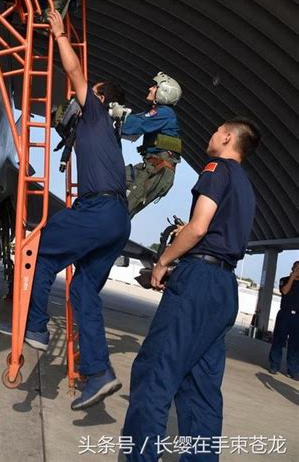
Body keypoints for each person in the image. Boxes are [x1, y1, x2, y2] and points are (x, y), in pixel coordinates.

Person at [0, 9, 131, 411]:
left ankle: (35, 327)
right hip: (118, 221)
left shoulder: (95, 113)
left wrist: (58, 35)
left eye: (92, 90)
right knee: (83, 291)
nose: (79, 96)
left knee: (37, 252)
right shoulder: (110, 135)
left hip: (96, 210)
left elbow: (74, 71)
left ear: (102, 98)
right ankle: (99, 373)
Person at [123, 116, 261, 461]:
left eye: (216, 130)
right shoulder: (245, 185)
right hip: (224, 288)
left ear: (228, 137)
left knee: (156, 373)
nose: (211, 134)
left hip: (198, 280)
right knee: (201, 388)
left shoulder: (216, 169)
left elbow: (199, 228)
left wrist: (163, 260)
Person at [121, 72, 182, 218]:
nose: (150, 88)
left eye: (155, 87)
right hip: (152, 167)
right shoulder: (163, 114)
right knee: (113, 175)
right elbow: (136, 123)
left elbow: (134, 125)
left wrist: (110, 114)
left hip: (157, 170)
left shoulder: (164, 113)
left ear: (164, 92)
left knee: (122, 212)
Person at [268, 261, 299, 380]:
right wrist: (292, 277)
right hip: (285, 314)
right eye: (296, 268)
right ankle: (274, 365)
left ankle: (293, 370)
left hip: (298, 317)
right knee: (278, 340)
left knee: (295, 345)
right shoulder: (284, 279)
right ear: (292, 268)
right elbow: (285, 291)